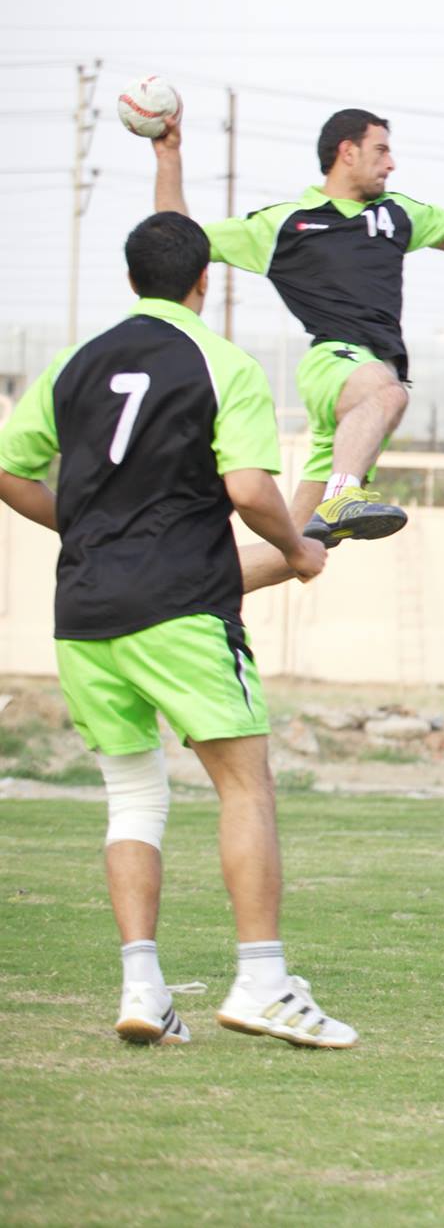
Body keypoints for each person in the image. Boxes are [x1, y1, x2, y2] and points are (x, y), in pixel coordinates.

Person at [0, 212, 352, 1048]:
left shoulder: (73, 362)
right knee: (245, 784)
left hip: (84, 615)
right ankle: (264, 981)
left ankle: (143, 988)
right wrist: (298, 546)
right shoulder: (221, 361)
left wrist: (86, 530)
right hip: (181, 613)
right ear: (206, 281)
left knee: (131, 795)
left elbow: (11, 472)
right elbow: (250, 489)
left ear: (132, 280)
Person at [148, 106, 444, 576]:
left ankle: (186, 586)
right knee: (388, 391)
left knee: (304, 551)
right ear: (348, 152)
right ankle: (344, 494)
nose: (391, 164)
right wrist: (169, 157)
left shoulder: (397, 214)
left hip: (357, 403)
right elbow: (174, 242)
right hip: (334, 364)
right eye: (381, 150)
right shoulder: (285, 223)